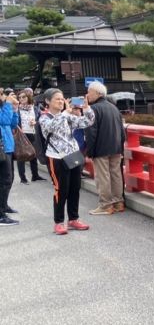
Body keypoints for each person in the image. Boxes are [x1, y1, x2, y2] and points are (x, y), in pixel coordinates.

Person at [38, 88, 95, 235]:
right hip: (56, 158)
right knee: (61, 190)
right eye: (57, 99)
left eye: (62, 98)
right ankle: (58, 222)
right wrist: (65, 113)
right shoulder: (44, 118)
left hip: (73, 155)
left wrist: (87, 108)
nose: (61, 101)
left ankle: (73, 219)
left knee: (75, 188)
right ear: (47, 101)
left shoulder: (68, 116)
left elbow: (87, 122)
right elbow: (52, 126)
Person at [85, 81, 126, 215]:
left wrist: (89, 150)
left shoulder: (94, 109)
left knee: (102, 176)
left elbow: (91, 132)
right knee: (115, 174)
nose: (87, 94)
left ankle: (105, 205)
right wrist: (121, 148)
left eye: (89, 92)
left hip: (101, 147)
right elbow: (122, 131)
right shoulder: (114, 108)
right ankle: (118, 202)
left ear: (97, 93)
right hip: (115, 147)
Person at [16, 89, 45, 184]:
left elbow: (41, 119)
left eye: (23, 97)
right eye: (19, 97)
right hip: (22, 134)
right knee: (21, 155)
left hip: (33, 132)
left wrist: (35, 122)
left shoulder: (35, 108)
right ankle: (23, 178)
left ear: (29, 97)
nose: (21, 99)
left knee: (33, 154)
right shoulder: (17, 109)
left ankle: (35, 175)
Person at [0, 89, 20, 226]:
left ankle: (4, 205)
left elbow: (12, 124)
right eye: (1, 93)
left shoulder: (3, 107)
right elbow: (4, 120)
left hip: (7, 147)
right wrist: (8, 105)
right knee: (4, 180)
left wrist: (14, 109)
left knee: (9, 178)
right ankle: (1, 214)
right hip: (2, 148)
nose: (3, 96)